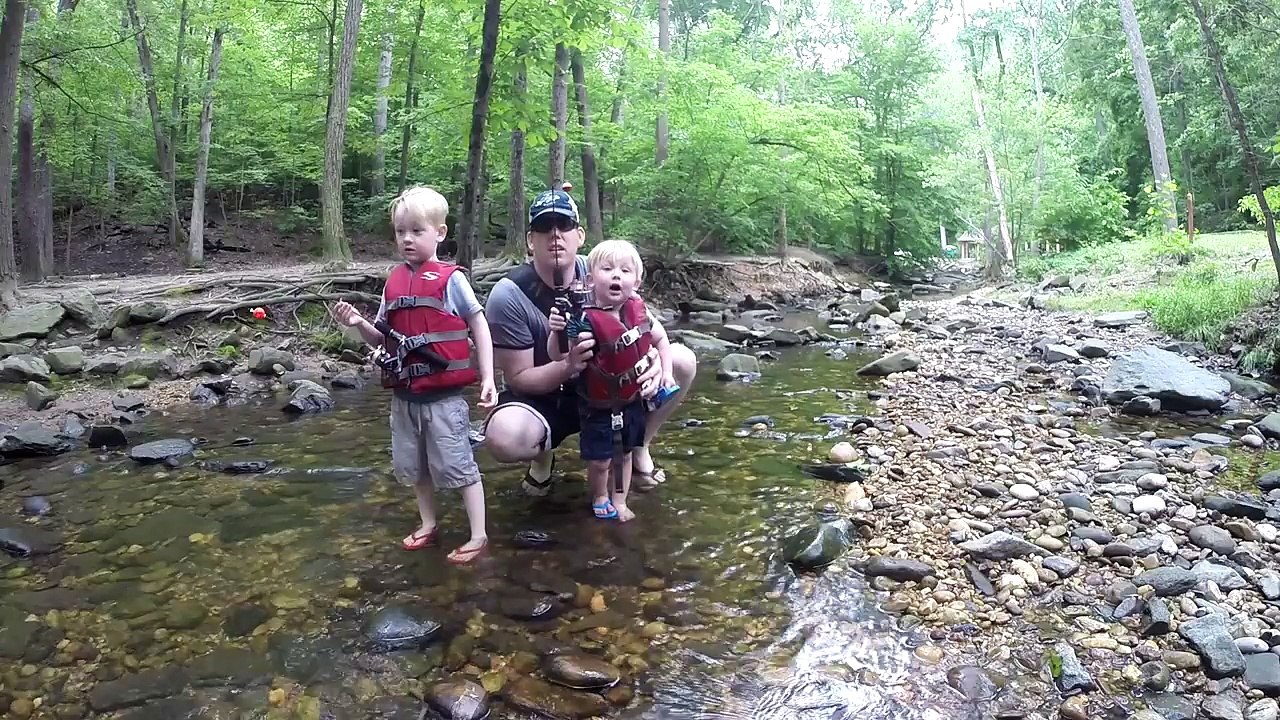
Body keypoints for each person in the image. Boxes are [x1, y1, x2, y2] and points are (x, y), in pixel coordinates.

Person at [482, 187, 697, 496]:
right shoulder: (508, 295)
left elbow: (649, 330)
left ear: (580, 235)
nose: (554, 235)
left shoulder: (605, 269)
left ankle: (639, 446)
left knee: (681, 361)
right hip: (548, 397)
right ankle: (543, 458)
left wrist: (650, 362)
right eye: (543, 227)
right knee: (504, 436)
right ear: (530, 241)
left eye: (564, 225)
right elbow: (520, 379)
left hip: (609, 386)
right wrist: (568, 365)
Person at [333, 186, 498, 564]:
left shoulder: (451, 280)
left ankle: (478, 534)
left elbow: (479, 325)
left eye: (416, 231)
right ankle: (428, 523)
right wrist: (358, 323)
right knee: (416, 467)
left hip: (444, 401)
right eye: (400, 231)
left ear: (439, 232)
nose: (407, 239)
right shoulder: (393, 283)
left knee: (459, 466)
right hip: (405, 398)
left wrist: (488, 378)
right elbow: (381, 336)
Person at [546, 239, 675, 522]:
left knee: (626, 454)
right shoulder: (583, 317)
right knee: (600, 460)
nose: (616, 275)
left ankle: (620, 499)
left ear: (637, 282)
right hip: (598, 405)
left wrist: (666, 372)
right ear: (591, 279)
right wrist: (556, 331)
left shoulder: (638, 311)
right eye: (607, 269)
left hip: (632, 401)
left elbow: (661, 339)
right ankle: (600, 495)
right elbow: (558, 354)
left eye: (625, 271)